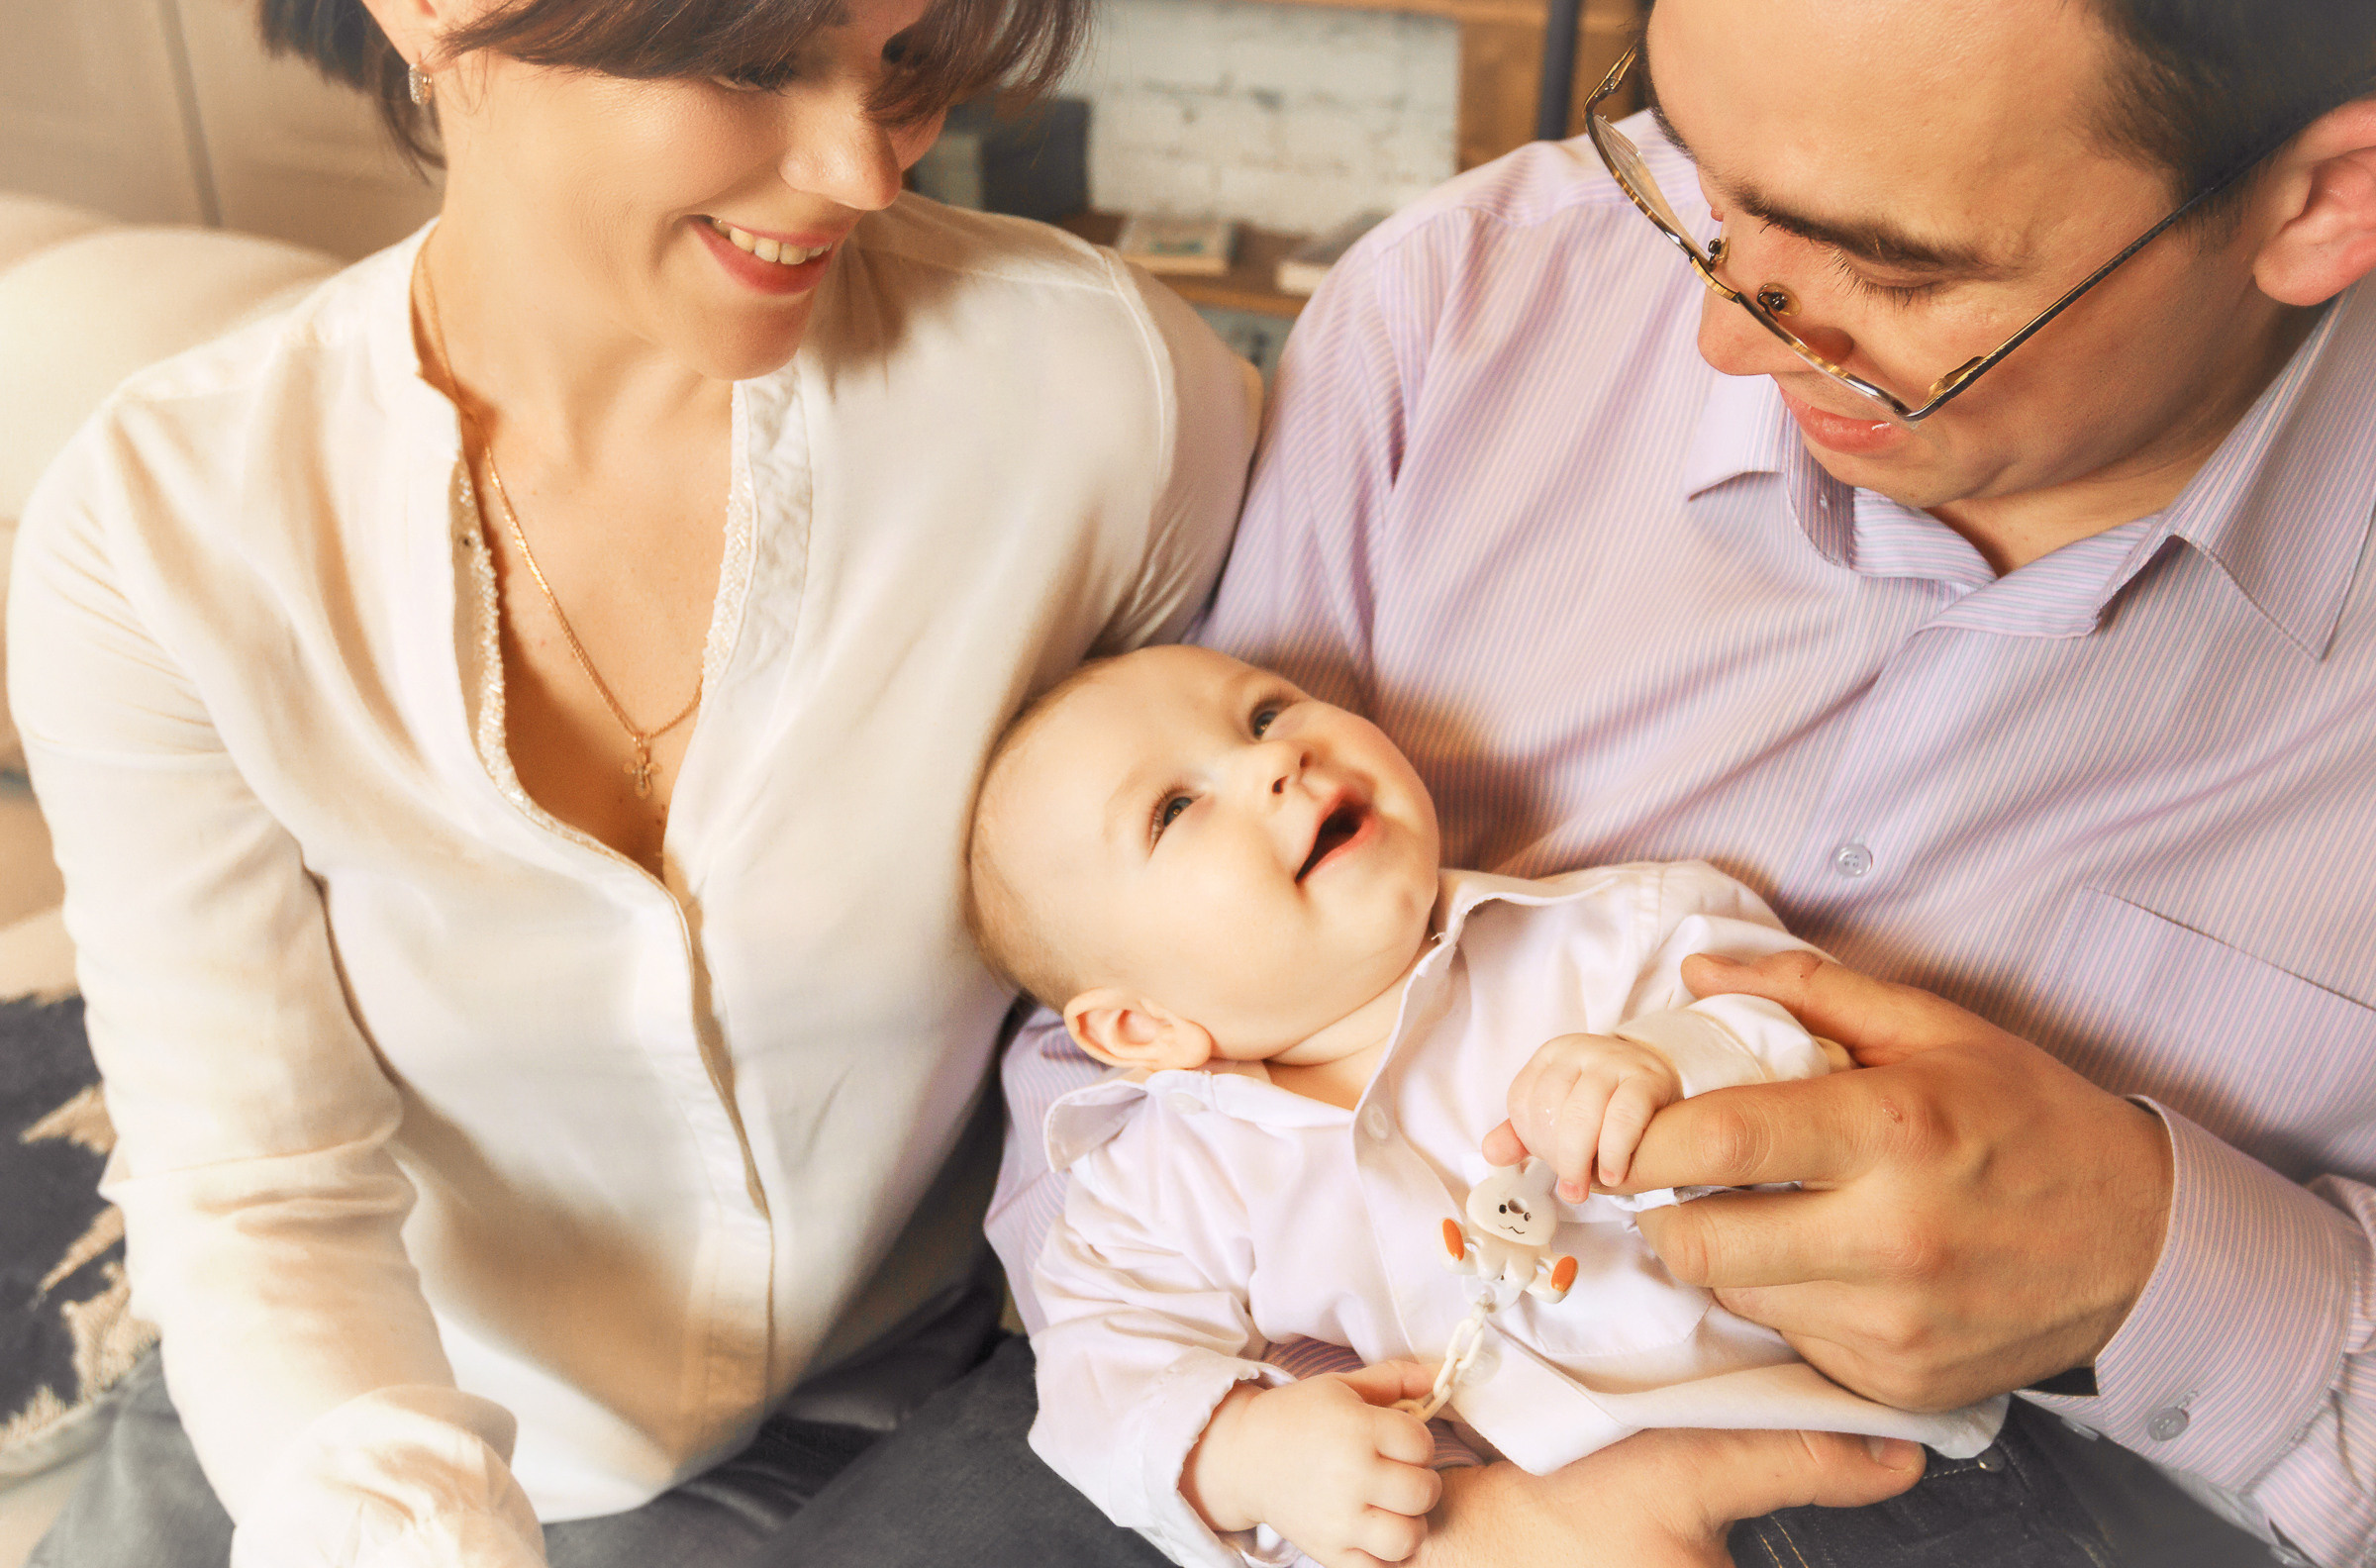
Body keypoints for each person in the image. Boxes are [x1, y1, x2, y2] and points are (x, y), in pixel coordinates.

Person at [957, 0, 2376, 1565]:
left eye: (1895, 269)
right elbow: (1108, 1040)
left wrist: (2165, 1274)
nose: (1723, 338)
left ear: (2322, 201)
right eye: (1694, 174)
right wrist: (1339, 1494)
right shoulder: (1461, 304)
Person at [4, 0, 1264, 1557]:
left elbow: (1265, 962)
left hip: (885, 1414)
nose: (864, 169)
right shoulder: (157, 531)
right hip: (345, 1390)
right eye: (754, 61)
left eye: (910, 62)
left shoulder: (1102, 399)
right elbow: (251, 1176)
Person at [966, 643, 2002, 1568]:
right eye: (1175, 809)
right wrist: (1242, 1453)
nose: (1274, 759)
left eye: (1265, 712)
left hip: (1861, 1490)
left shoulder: (1617, 933)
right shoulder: (1160, 1176)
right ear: (1139, 1028)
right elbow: (1098, 1382)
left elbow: (1822, 1063)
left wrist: (1667, 1061)